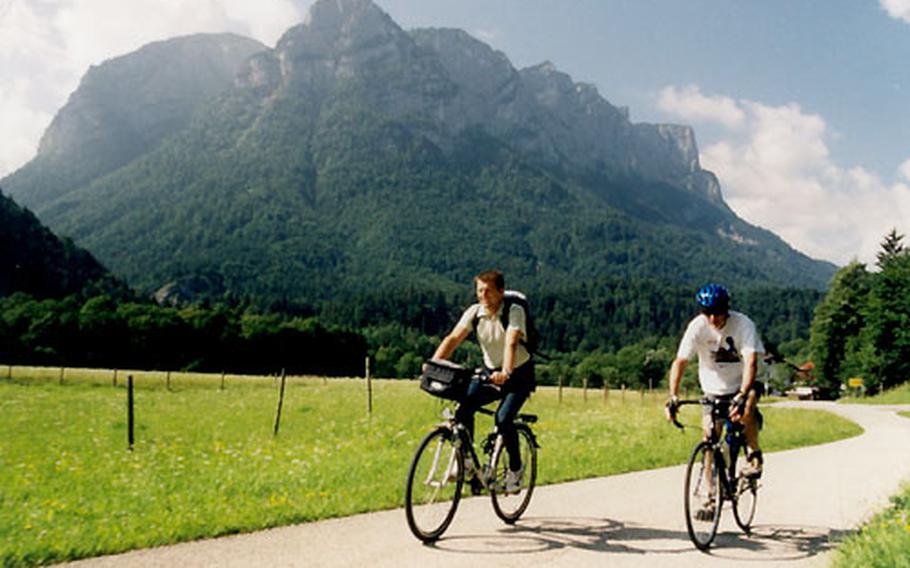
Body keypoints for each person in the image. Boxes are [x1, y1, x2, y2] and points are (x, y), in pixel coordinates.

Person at [429, 270, 535, 493]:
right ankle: (466, 463)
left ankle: (515, 470)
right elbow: (453, 338)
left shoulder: (513, 311)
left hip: (518, 374)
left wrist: (506, 371)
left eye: (488, 290)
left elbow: (511, 342)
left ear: (500, 291)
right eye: (479, 290)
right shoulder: (475, 313)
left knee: (504, 419)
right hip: (490, 371)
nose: (483, 295)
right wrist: (434, 363)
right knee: (464, 406)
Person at [666, 284, 765, 514]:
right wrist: (673, 396)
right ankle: (709, 497)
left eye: (718, 312)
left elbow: (750, 361)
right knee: (709, 439)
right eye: (707, 312)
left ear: (727, 309)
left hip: (743, 383)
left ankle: (754, 456)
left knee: (747, 406)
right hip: (713, 389)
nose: (713, 318)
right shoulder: (698, 326)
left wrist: (741, 394)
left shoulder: (743, 324)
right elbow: (680, 362)